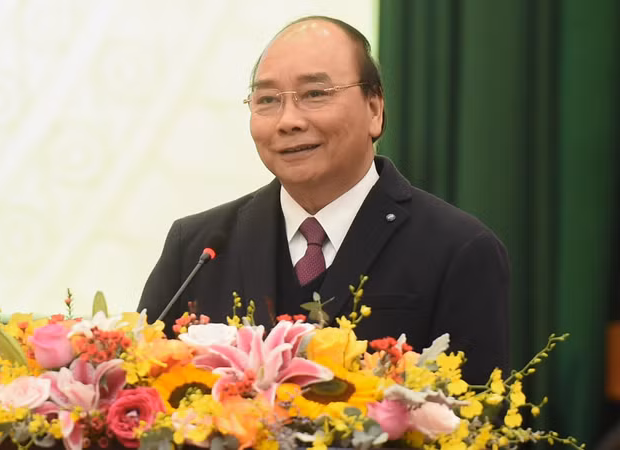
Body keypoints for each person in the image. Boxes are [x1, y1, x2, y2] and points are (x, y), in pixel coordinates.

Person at [137, 15, 509, 384]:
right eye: (267, 99)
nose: (288, 121)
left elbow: (480, 420)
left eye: (315, 94)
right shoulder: (198, 246)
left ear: (375, 110)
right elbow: (141, 392)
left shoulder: (457, 248)